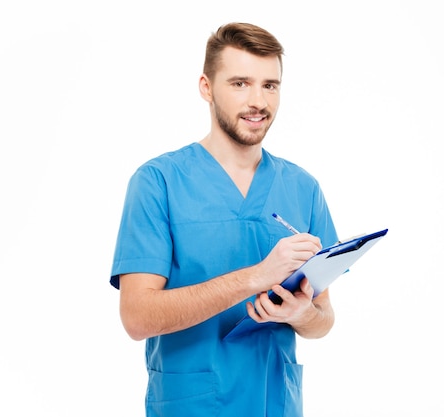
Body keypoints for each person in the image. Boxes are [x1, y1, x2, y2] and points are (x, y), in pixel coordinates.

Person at [109, 22, 339, 417]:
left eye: (270, 85)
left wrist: (302, 314)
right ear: (206, 87)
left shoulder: (303, 188)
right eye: (239, 83)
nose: (258, 101)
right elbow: (136, 317)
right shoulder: (158, 183)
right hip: (191, 405)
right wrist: (255, 277)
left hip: (275, 403)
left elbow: (324, 319)